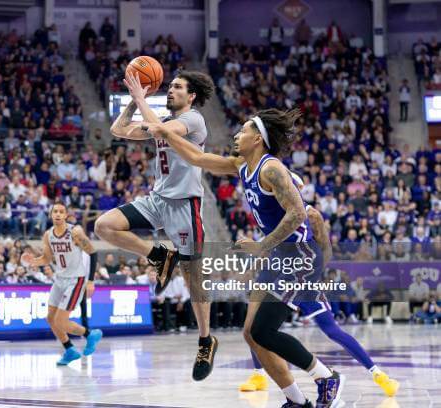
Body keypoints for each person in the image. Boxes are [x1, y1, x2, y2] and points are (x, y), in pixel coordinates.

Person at [145, 109, 343, 407]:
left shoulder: (271, 168)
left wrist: (262, 246)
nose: (237, 135)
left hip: (297, 256)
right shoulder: (242, 164)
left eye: (243, 131)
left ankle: (325, 376)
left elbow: (299, 213)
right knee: (251, 334)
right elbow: (199, 159)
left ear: (258, 139)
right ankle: (296, 400)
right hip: (277, 256)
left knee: (264, 330)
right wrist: (166, 134)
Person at [95, 69, 218, 381]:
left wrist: (140, 97)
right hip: (158, 199)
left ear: (191, 96)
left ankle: (205, 340)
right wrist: (136, 103)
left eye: (178, 87)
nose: (171, 90)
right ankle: (160, 255)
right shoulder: (162, 120)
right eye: (171, 86)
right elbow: (118, 128)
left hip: (185, 204)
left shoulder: (194, 120)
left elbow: (161, 131)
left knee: (193, 278)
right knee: (104, 226)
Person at [238, 173, 399, 397]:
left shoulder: (310, 214)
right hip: (276, 270)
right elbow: (271, 247)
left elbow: (325, 251)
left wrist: (310, 276)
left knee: (331, 330)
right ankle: (259, 374)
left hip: (302, 277)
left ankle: (378, 374)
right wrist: (252, 268)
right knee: (253, 325)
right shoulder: (270, 211)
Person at [22, 202, 102, 365]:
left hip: (76, 279)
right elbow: (47, 259)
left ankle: (89, 334)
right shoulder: (48, 234)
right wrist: (33, 261)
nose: (58, 214)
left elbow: (93, 253)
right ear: (51, 215)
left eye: (61, 212)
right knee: (50, 318)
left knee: (61, 321)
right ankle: (70, 350)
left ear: (66, 215)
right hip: (59, 279)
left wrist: (91, 281)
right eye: (55, 211)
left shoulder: (75, 231)